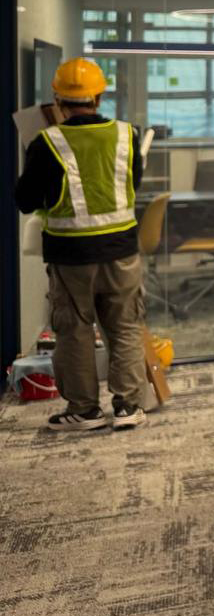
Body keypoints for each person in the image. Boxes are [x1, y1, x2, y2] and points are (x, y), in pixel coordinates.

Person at [13, 57, 148, 431]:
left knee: (74, 331)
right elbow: (133, 182)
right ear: (99, 97)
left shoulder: (47, 142)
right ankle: (127, 407)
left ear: (58, 101)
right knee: (125, 327)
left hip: (71, 256)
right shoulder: (128, 135)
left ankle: (85, 411)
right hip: (121, 251)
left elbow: (25, 200)